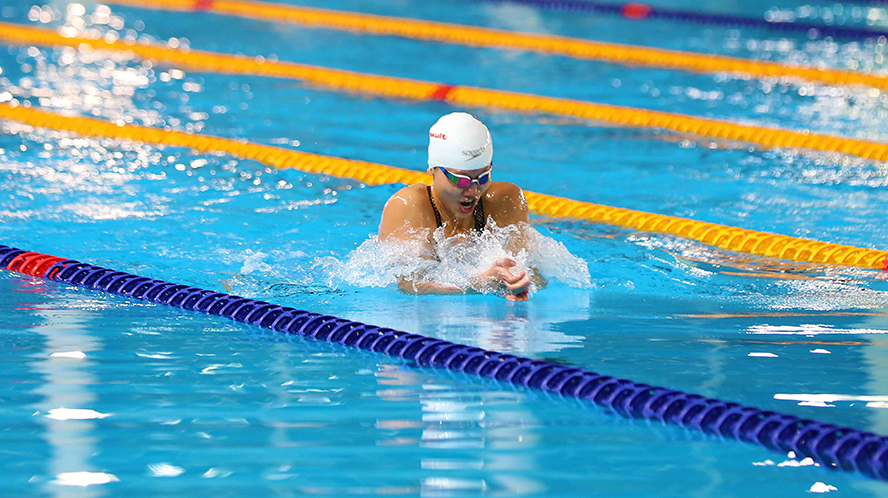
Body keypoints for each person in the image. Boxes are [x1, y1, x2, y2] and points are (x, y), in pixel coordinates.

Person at [378, 112, 541, 301]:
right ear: (432, 170)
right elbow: (408, 285)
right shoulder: (408, 206)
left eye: (483, 177)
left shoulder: (505, 200)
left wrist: (516, 280)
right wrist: (474, 285)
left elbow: (534, 271)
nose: (473, 191)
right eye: (461, 180)